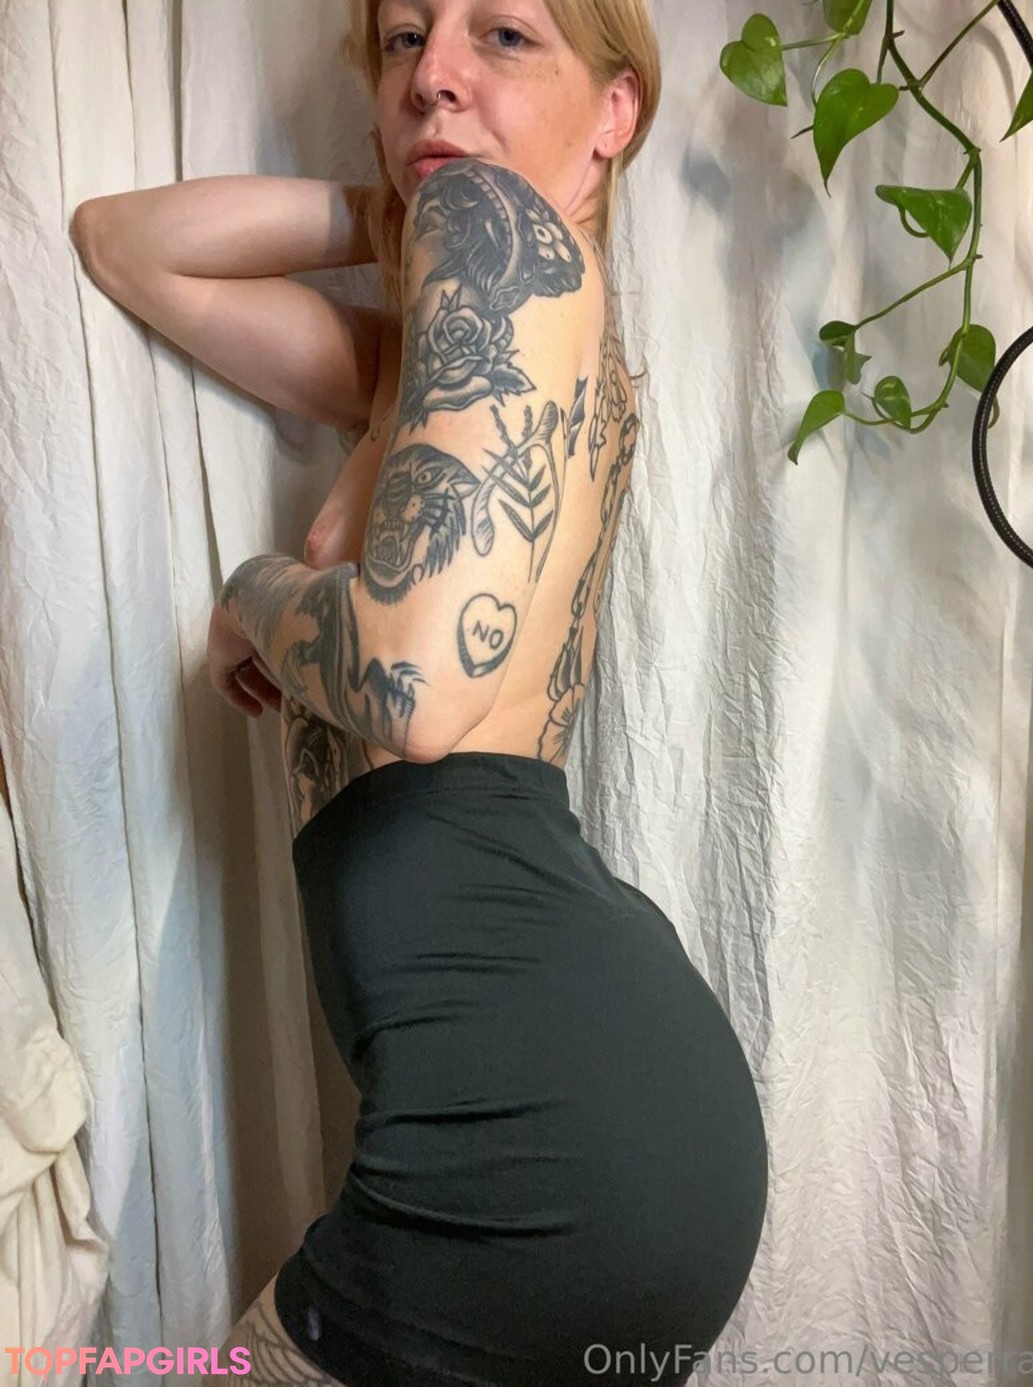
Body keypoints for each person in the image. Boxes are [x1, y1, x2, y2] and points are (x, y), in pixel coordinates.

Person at [71, 1, 769, 1382]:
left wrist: (254, 594)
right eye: (404, 40)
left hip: (530, 1138)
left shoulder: (500, 248)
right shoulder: (463, 348)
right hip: (608, 1120)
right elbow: (121, 243)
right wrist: (392, 202)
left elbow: (413, 678)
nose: (435, 75)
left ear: (616, 113)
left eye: (503, 36)